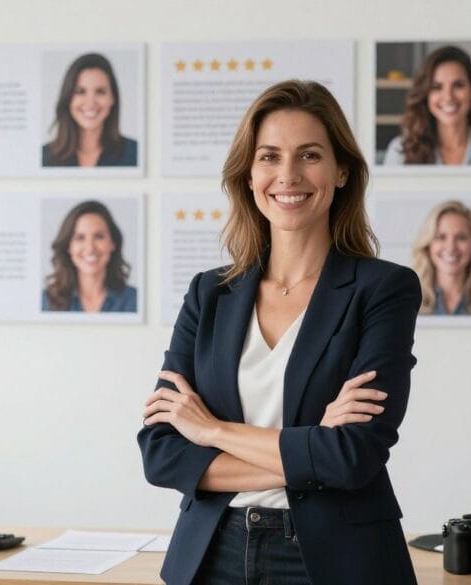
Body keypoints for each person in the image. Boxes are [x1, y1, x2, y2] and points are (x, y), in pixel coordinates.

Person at [138, 80, 420, 585]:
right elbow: (162, 454)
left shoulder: (384, 290)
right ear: (249, 175)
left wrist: (211, 432)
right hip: (211, 554)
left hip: (336, 559)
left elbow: (354, 456)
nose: (287, 175)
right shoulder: (209, 294)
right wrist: (312, 452)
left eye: (309, 155)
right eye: (269, 157)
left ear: (341, 172)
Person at [383, 45, 471, 166]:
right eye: (437, 87)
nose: (448, 97)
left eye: (458, 85)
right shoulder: (399, 152)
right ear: (425, 95)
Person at [410, 200, 471, 316]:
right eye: (441, 237)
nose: (451, 247)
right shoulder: (409, 298)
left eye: (461, 238)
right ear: (428, 245)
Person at [41, 53, 137, 167]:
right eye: (80, 92)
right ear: (68, 99)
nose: (90, 103)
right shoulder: (43, 157)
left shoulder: (135, 154)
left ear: (112, 98)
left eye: (100, 92)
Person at [42, 200, 136, 313]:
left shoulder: (134, 301)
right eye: (80, 238)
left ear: (113, 243)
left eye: (99, 237)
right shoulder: (46, 301)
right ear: (68, 246)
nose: (90, 248)